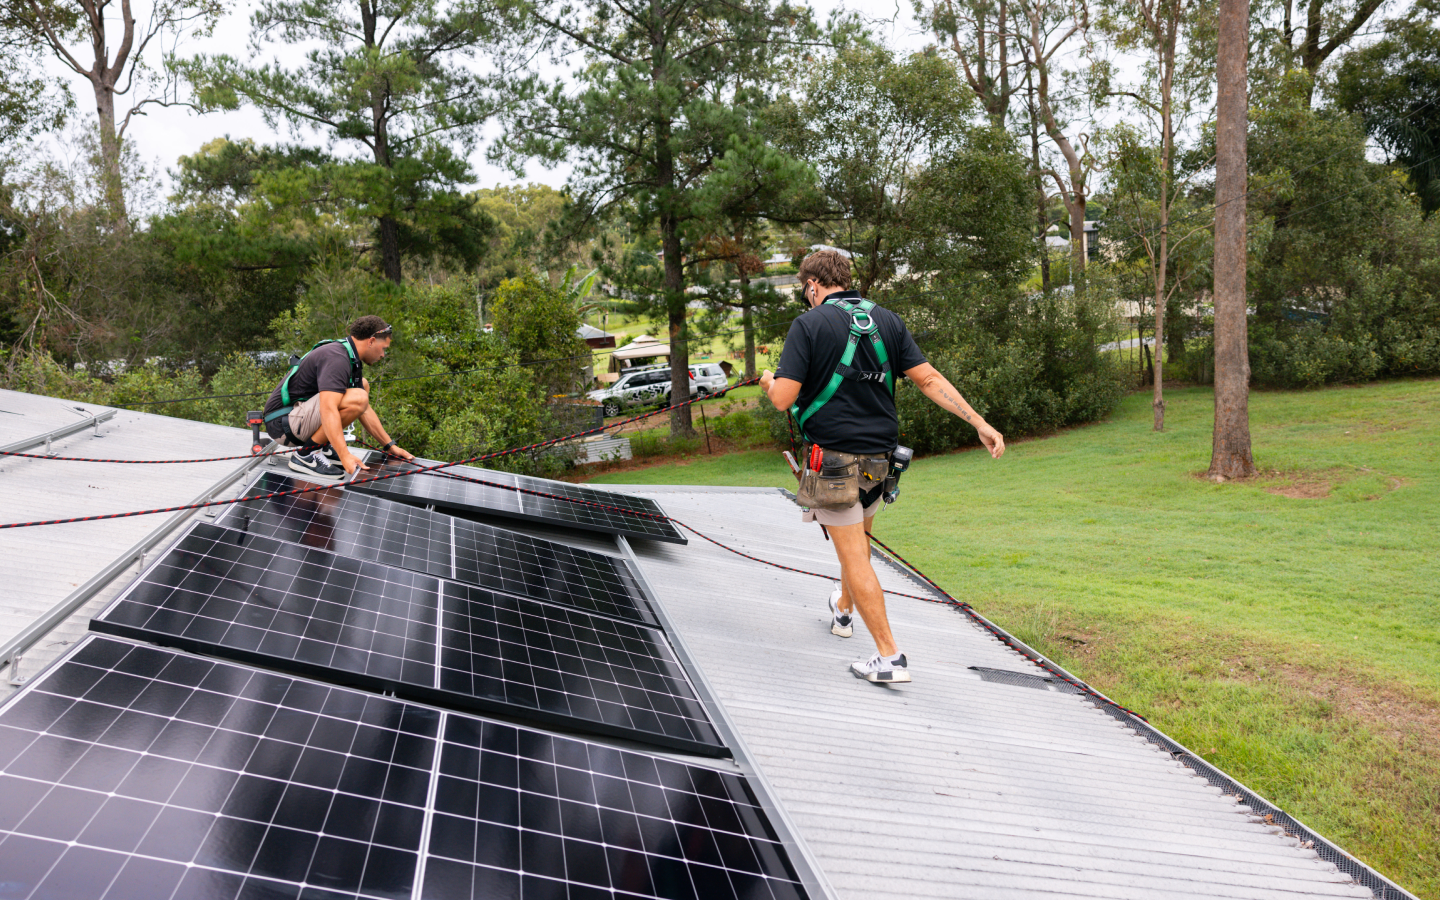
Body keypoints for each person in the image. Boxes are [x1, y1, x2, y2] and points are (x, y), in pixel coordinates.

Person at [761, 250, 1005, 684]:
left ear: (813, 286)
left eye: (805, 290)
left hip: (832, 459)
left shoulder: (809, 325)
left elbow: (783, 398)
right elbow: (929, 380)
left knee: (854, 556)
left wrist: (768, 383)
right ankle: (843, 611)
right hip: (881, 460)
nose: (806, 297)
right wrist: (979, 422)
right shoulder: (887, 321)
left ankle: (889, 656)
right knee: (859, 548)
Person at [261, 315, 414, 480]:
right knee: (358, 396)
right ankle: (306, 454)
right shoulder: (337, 358)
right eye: (383, 348)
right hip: (284, 425)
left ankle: (323, 446)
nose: (383, 355)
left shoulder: (348, 354)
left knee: (363, 386)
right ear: (371, 341)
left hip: (295, 417)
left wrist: (390, 446)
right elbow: (328, 409)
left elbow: (364, 410)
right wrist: (344, 455)